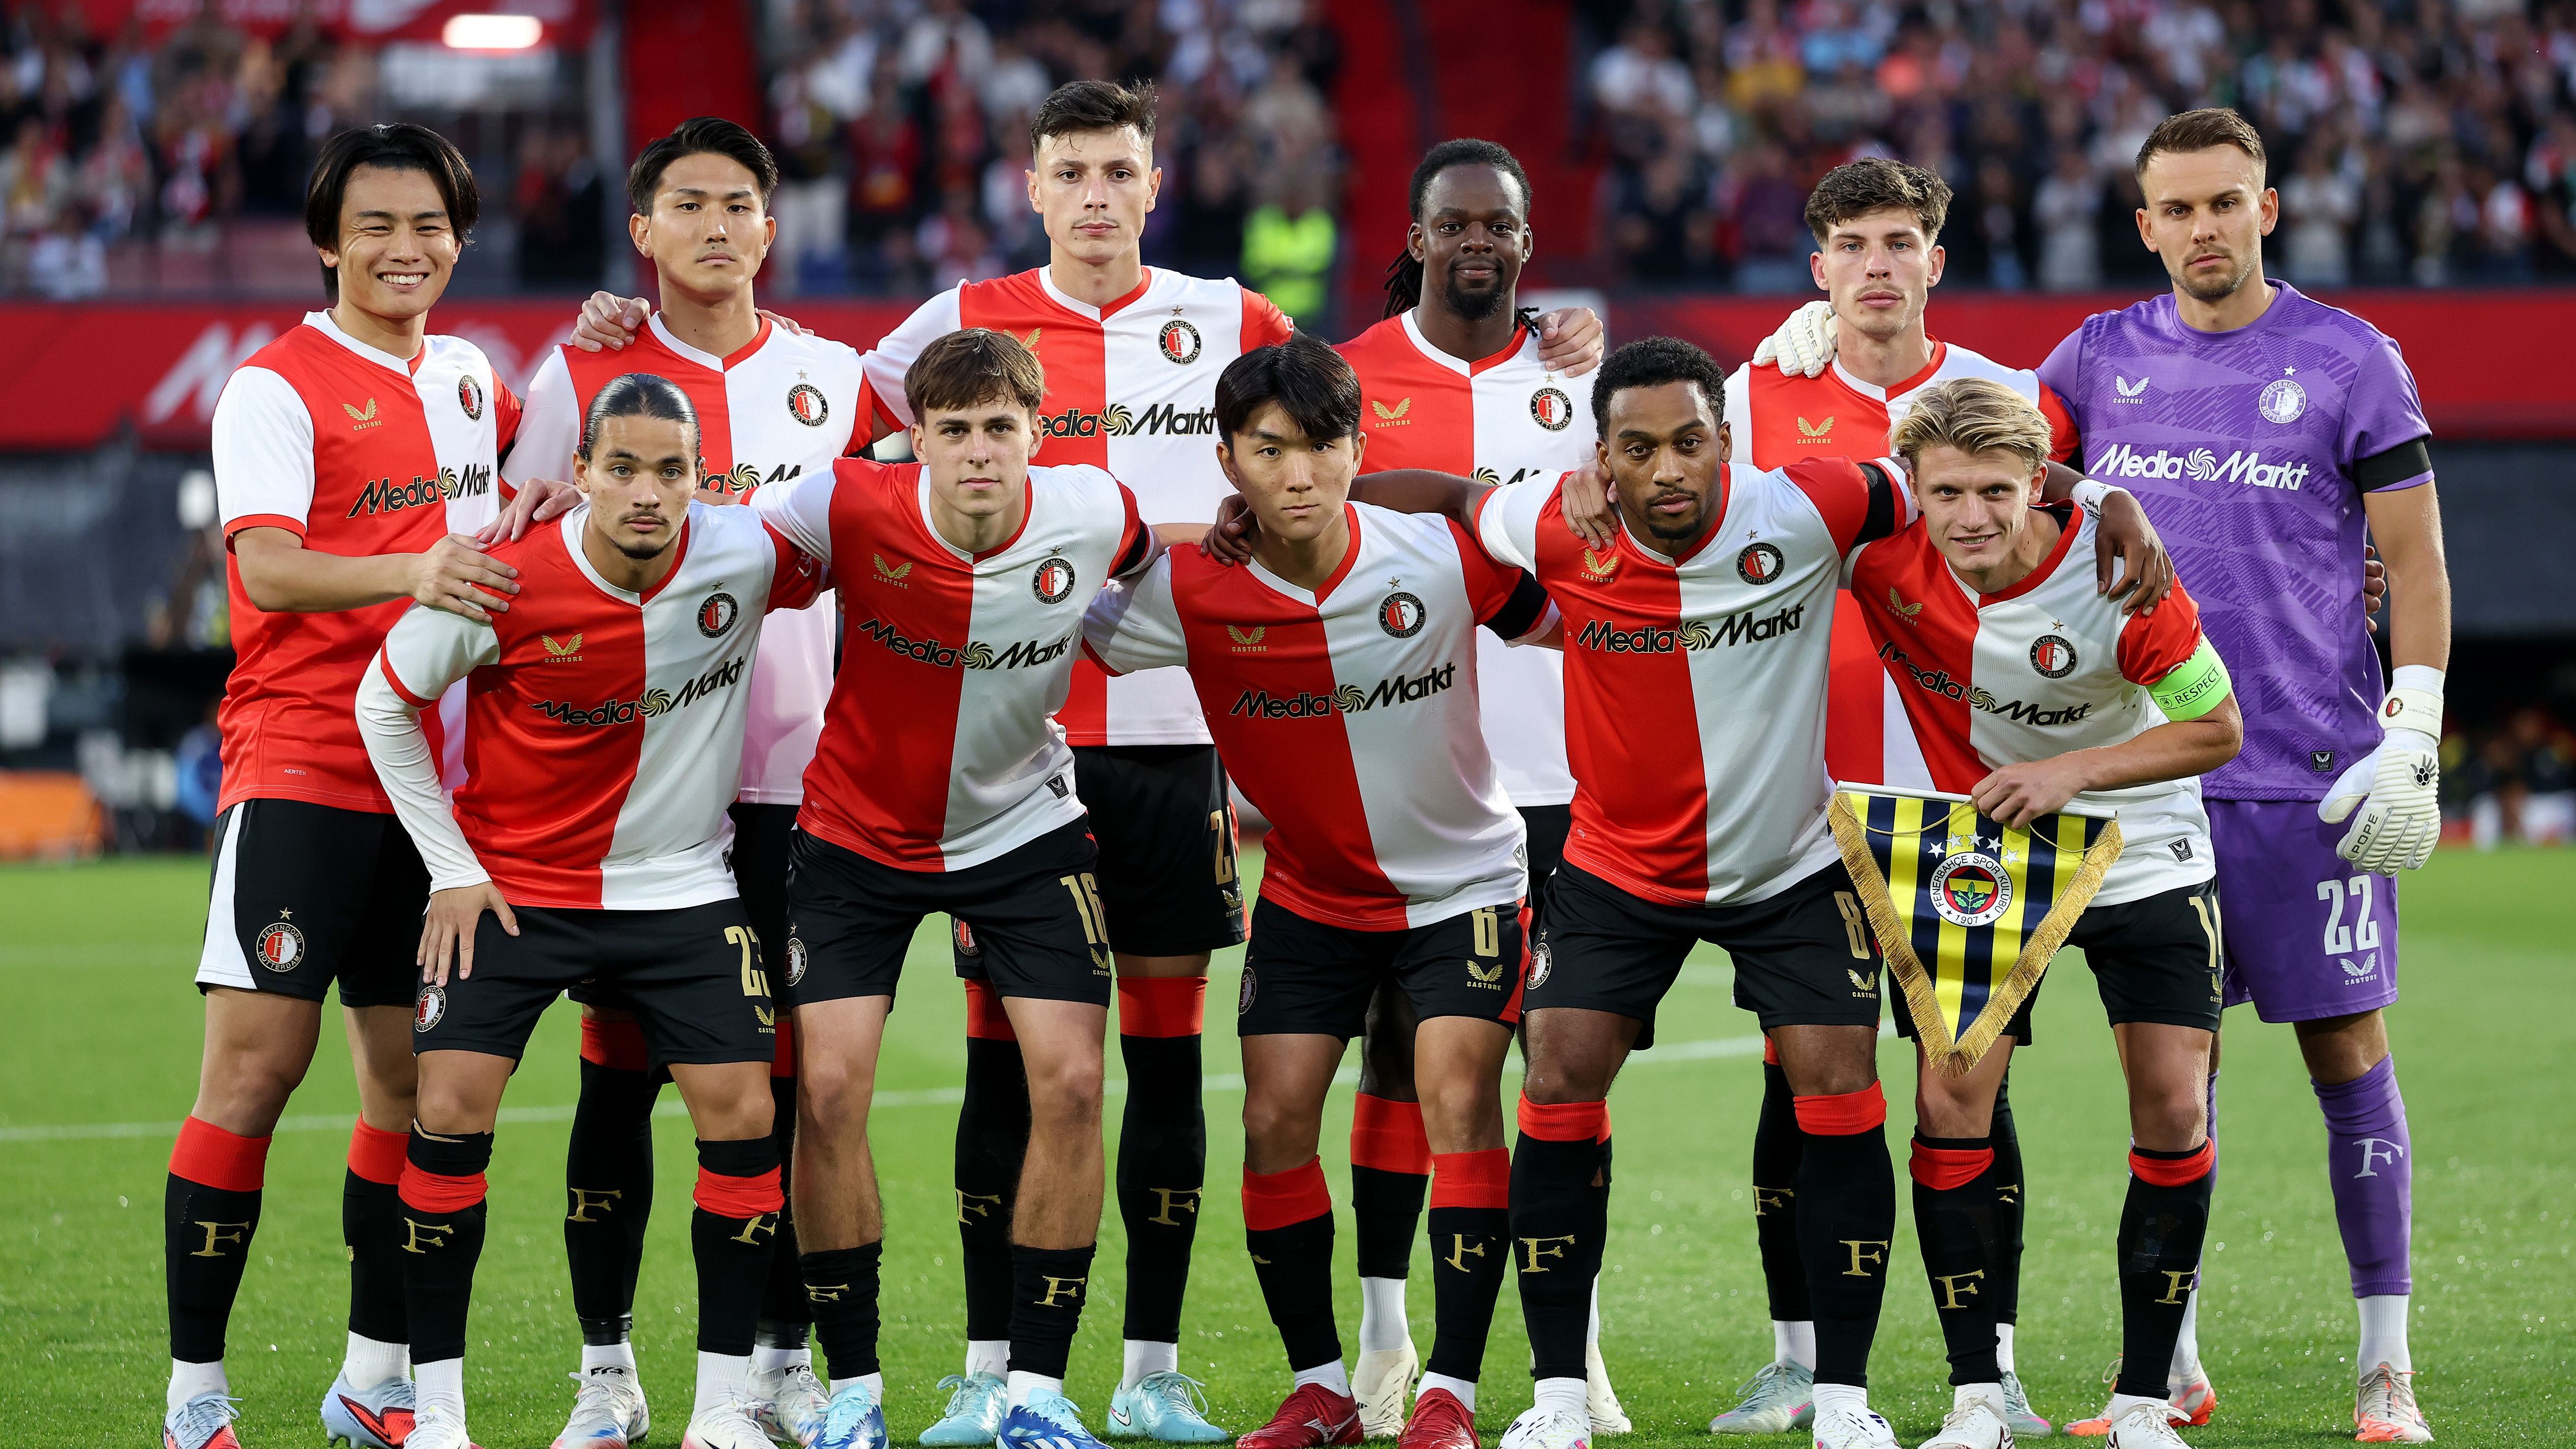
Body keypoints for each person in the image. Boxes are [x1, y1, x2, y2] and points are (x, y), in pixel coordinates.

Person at [563, 82, 1605, 1446]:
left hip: (1173, 741)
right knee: (1002, 1069)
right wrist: (630, 328)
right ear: (1034, 187)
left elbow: (1343, 407)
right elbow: (811, 410)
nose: (1097, 195)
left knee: (1158, 1071)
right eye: (1072, 172)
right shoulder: (952, 321)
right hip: (1012, 750)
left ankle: (1147, 1369)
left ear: (1154, 184)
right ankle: (988, 1367)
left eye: (1120, 170)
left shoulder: (1233, 316)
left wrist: (1537, 332)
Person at [1751, 106, 2452, 1445]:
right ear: (2143, 225)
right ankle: (2166, 1372)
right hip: (2099, 772)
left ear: (2266, 208)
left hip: (2298, 760)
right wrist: (1833, 336)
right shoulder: (2093, 354)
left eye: (2224, 202)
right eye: (2176, 208)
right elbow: (1993, 457)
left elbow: (2412, 558)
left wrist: (2411, 727)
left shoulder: (2351, 356)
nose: (2203, 227)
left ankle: (2384, 1364)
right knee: (2175, 1083)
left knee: (2341, 1050)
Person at [1086, 336, 1550, 1449]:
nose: (1298, 475)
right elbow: (1046, 617)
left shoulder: (1440, 554)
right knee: (1274, 1119)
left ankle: (1448, 1394)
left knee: (1457, 1102)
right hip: (1309, 894)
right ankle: (1323, 1389)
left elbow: (1580, 617)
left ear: (1356, 449)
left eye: (1321, 447)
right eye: (1268, 451)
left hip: (1464, 883)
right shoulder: (1186, 589)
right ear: (1229, 462)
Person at [355, 373, 826, 1449]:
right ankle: (439, 1417)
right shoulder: (506, 575)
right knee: (449, 1106)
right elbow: (384, 700)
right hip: (517, 890)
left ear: (700, 479)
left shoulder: (746, 552)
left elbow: (874, 518)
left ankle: (722, 1410)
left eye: (669, 470)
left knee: (744, 1112)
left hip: (682, 885)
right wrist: (450, 867)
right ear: (580, 473)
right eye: (621, 468)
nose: (646, 492)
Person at [492, 115, 870, 1449]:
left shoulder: (840, 378)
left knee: (782, 1086)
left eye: (739, 203)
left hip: (802, 791)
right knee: (616, 1078)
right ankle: (606, 1374)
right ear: (641, 229)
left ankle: (777, 1366)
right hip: (633, 804)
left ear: (771, 226)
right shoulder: (576, 374)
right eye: (688, 203)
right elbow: (521, 565)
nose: (717, 225)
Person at [1713, 156, 2081, 1440]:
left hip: (1964, 802)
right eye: (1853, 243)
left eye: (1900, 239)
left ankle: (1994, 1366)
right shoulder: (1750, 395)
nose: (1878, 263)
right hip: (1800, 801)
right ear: (1817, 266)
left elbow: (2074, 531)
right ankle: (1798, 1360)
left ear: (1937, 258)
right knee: (1797, 1083)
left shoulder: (2007, 396)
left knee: (1967, 1078)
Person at [744, 328, 1162, 1449]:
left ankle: (1036, 1393)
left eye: (1000, 428)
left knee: (1073, 1084)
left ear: (1037, 431)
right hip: (854, 840)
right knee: (829, 1093)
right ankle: (854, 1390)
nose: (980, 451)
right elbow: (709, 551)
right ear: (916, 438)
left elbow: (1152, 556)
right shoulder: (842, 502)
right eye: (956, 430)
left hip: (1026, 833)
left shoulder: (1091, 507)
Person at [167, 121, 515, 1449]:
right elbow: (264, 568)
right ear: (327, 241)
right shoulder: (273, 386)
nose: (402, 247)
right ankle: (195, 1392)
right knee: (257, 1069)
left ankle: (375, 1378)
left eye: (428, 224)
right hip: (303, 764)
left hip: (435, 785)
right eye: (374, 224)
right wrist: (409, 570)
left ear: (459, 239)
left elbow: (526, 494)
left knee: (411, 1087)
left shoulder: (473, 379)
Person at [1842, 379, 2242, 1449]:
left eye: (1996, 491)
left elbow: (2217, 730)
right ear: (1911, 487)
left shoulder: (2119, 573)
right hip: (1986, 850)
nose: (1971, 516)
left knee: (2173, 1109)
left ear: (2036, 485)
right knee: (1949, 1100)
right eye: (1946, 493)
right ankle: (1978, 1398)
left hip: (2143, 845)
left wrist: (2074, 771)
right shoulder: (1877, 558)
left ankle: (2144, 1401)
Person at [1329, 137, 1627, 1440]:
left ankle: (1577, 1344)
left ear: (1524, 241)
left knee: (1569, 1065)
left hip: (1571, 773)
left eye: (1497, 225)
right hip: (1407, 777)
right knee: (1400, 1059)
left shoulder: (1584, 379)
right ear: (1415, 236)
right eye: (1452, 222)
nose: (1475, 242)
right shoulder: (1348, 378)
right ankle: (1383, 1338)